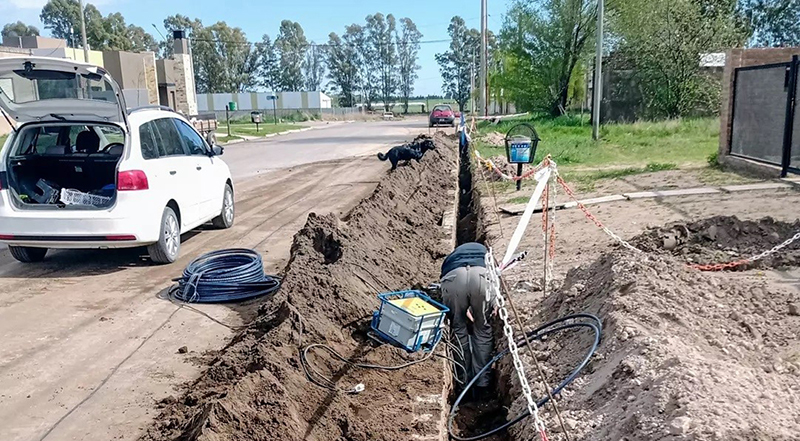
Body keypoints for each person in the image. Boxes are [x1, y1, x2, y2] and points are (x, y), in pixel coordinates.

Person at [440, 242, 494, 396]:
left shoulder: (452, 257)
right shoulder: (487, 254)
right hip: (482, 277)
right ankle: (482, 382)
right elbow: (496, 284)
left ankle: (463, 382)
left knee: (458, 328)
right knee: (482, 329)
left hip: (454, 278)